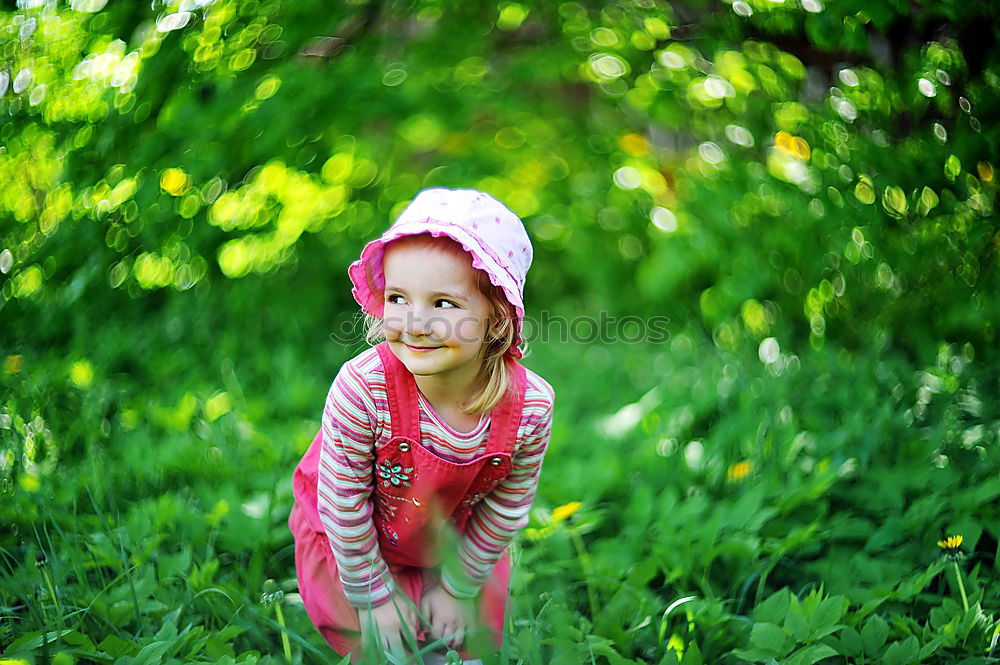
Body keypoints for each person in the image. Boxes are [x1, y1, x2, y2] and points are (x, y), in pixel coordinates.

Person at [288, 188, 555, 664]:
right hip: (355, 541)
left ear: (496, 319)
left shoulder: (529, 408)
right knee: (383, 650)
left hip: (454, 545)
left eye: (444, 304)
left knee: (462, 647)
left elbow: (506, 507)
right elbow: (344, 504)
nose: (414, 323)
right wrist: (374, 596)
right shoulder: (363, 389)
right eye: (397, 297)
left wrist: (456, 587)